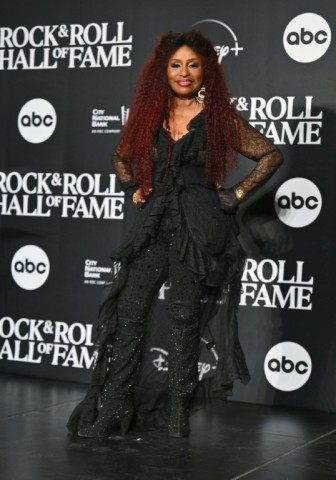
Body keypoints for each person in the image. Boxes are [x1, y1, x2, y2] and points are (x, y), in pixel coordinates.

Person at [67, 30, 283, 438]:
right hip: (153, 225)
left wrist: (236, 194)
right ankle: (114, 405)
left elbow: (271, 154)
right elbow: (121, 155)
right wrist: (134, 189)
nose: (184, 73)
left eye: (193, 65)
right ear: (163, 71)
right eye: (176, 65)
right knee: (129, 314)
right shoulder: (151, 114)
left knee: (184, 318)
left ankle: (177, 414)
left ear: (207, 72)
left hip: (198, 229)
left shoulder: (219, 118)